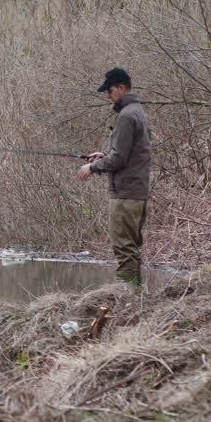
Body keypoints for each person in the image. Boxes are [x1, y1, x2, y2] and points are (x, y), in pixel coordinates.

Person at [76, 67, 152, 286]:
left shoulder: (127, 116)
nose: (108, 96)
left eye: (109, 91)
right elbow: (130, 153)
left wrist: (93, 167)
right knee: (131, 247)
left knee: (123, 247)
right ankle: (135, 295)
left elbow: (119, 160)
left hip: (126, 194)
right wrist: (104, 155)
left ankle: (127, 293)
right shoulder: (138, 112)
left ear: (121, 87)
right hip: (136, 191)